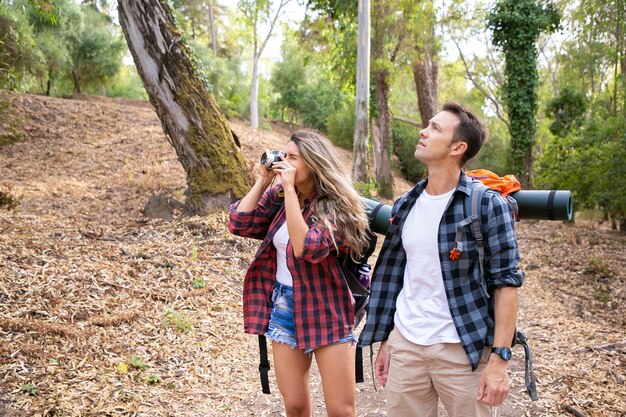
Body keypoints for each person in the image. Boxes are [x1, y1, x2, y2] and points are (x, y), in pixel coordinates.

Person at [358, 102, 524, 417]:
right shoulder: (405, 204)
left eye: (435, 128)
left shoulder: (487, 205)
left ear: (457, 147)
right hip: (407, 345)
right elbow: (400, 276)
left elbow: (506, 284)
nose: (423, 131)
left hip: (463, 349)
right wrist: (389, 340)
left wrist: (499, 361)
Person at [228, 129, 371, 417]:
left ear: (314, 163)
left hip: (326, 308)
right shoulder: (279, 195)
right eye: (284, 155)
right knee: (293, 405)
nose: (285, 161)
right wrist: (264, 180)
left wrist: (290, 190)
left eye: (293, 157)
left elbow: (306, 247)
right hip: (284, 306)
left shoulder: (337, 206)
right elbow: (238, 223)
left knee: (340, 410)